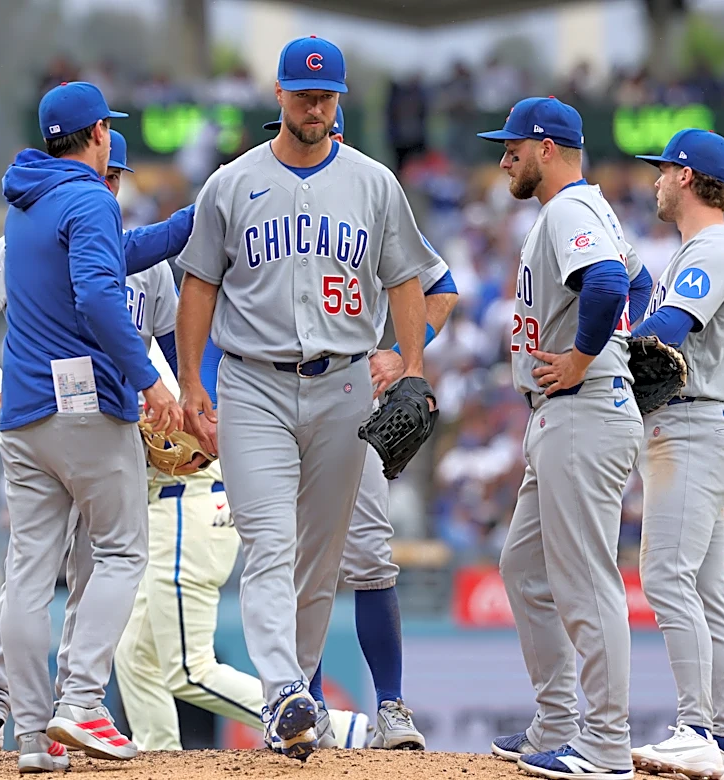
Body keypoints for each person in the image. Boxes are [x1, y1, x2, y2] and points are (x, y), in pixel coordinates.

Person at [175, 36, 437, 761]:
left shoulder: (374, 182)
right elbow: (198, 285)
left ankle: (303, 707)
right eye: (302, 93)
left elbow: (407, 279)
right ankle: (286, 688)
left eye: (326, 95)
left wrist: (411, 365)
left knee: (321, 563)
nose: (314, 106)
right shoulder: (231, 183)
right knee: (268, 543)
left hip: (346, 379)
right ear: (280, 96)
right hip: (254, 379)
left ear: (340, 99)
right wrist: (193, 381)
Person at [0, 130, 194, 771]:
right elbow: (101, 296)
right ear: (98, 142)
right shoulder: (85, 205)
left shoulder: (24, 209)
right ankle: (75, 704)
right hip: (85, 410)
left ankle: (28, 736)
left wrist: (194, 217)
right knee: (124, 550)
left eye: (119, 176)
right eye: (112, 166)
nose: (112, 182)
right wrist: (153, 387)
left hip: (28, 417)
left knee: (33, 572)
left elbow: (131, 255)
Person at [262, 105, 459, 750]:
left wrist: (403, 354)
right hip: (269, 393)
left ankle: (392, 708)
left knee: (369, 556)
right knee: (291, 561)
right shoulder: (258, 201)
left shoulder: (370, 197)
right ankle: (303, 706)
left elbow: (442, 287)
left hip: (348, 391)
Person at [478, 97, 652, 780]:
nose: (504, 158)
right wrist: (613, 344)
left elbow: (612, 282)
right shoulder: (590, 208)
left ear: (547, 147)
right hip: (564, 412)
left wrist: (585, 356)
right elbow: (638, 279)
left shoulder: (570, 209)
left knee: (585, 583)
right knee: (524, 569)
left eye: (513, 147)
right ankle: (557, 722)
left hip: (581, 406)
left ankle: (606, 746)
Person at [628, 130, 724, 780]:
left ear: (684, 176)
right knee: (706, 593)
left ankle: (696, 729)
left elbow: (671, 331)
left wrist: (595, 359)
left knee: (667, 578)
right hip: (702, 424)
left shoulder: (715, 245)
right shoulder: (705, 247)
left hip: (693, 426)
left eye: (662, 169)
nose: (654, 180)